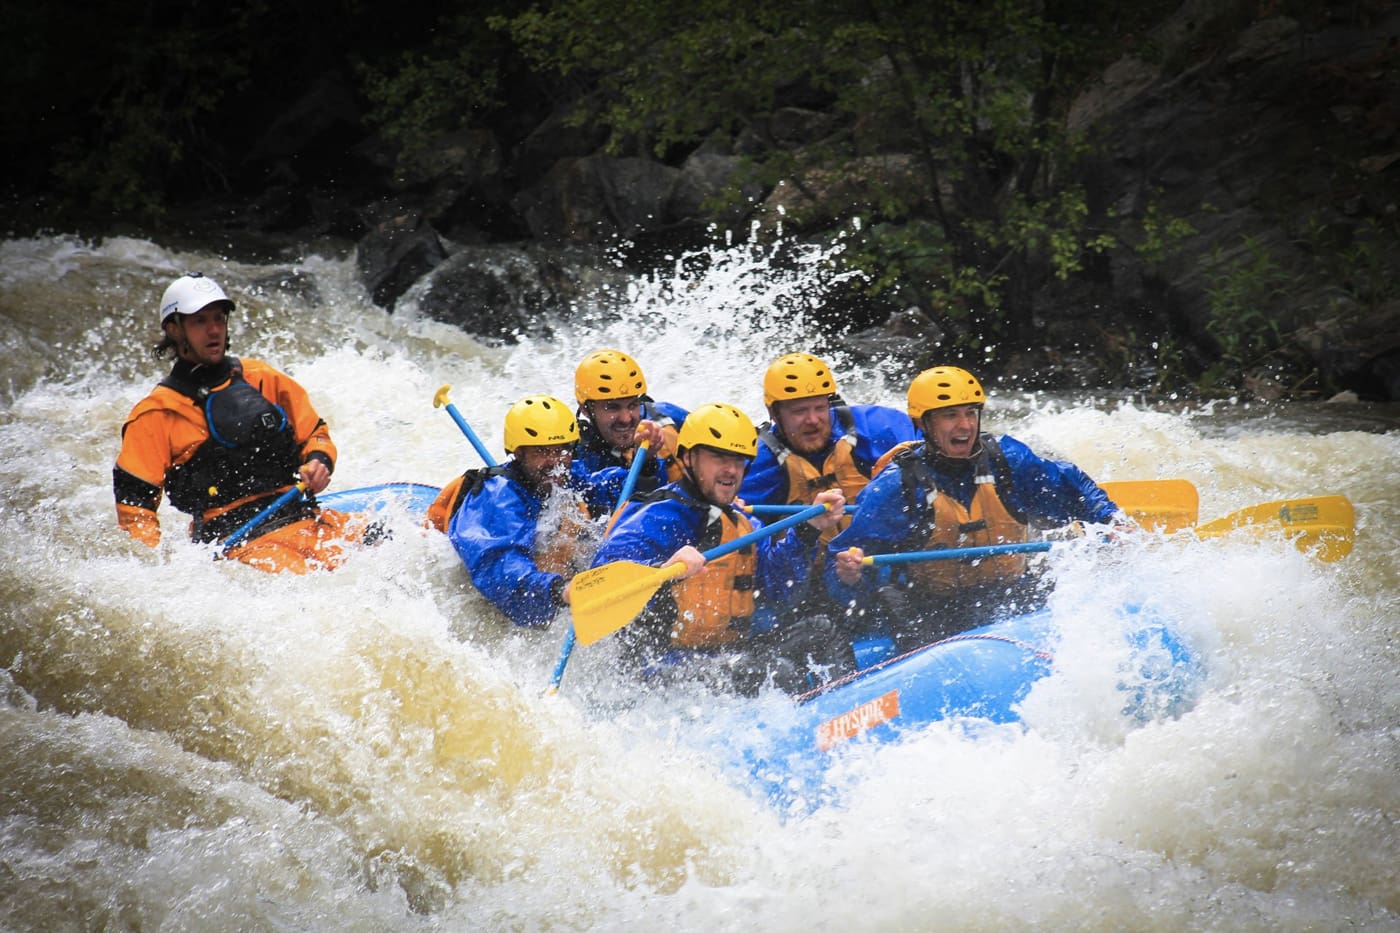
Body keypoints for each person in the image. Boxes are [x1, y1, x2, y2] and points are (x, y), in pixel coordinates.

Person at [828, 365, 1128, 649]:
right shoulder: (896, 486)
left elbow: (1072, 486)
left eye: (971, 413)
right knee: (893, 602)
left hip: (1013, 592)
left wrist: (1110, 518)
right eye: (950, 416)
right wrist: (849, 576)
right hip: (937, 608)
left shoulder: (1008, 460)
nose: (965, 425)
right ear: (924, 423)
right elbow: (843, 559)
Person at [114, 272, 367, 574]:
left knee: (411, 533)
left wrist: (319, 461)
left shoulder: (260, 377)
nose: (214, 330)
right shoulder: (156, 414)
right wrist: (162, 572)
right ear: (174, 329)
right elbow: (135, 511)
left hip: (306, 519)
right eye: (200, 321)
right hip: (240, 543)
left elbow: (315, 433)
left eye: (219, 319)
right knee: (320, 580)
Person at [588, 402, 846, 692]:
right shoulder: (658, 517)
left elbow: (778, 587)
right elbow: (597, 589)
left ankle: (852, 719)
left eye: (738, 460)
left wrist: (809, 531)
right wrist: (662, 571)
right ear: (688, 458)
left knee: (822, 631)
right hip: (658, 668)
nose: (730, 470)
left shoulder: (740, 519)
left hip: (726, 653)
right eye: (719, 458)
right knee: (774, 672)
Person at [446, 394, 627, 629]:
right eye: (542, 451)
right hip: (485, 586)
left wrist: (649, 469)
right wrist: (556, 589)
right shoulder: (499, 497)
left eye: (562, 450)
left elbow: (600, 487)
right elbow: (502, 567)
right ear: (519, 453)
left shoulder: (564, 472)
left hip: (539, 581)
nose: (555, 462)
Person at [740, 351, 920, 543]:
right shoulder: (755, 465)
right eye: (799, 411)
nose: (812, 420)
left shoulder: (877, 427)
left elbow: (934, 445)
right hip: (808, 569)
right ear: (774, 413)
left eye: (820, 408)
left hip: (876, 559)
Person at [572, 348, 688, 492]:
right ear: (585, 409)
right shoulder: (578, 455)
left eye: (633, 405)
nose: (626, 419)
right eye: (612, 407)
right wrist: (645, 463)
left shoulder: (665, 415)